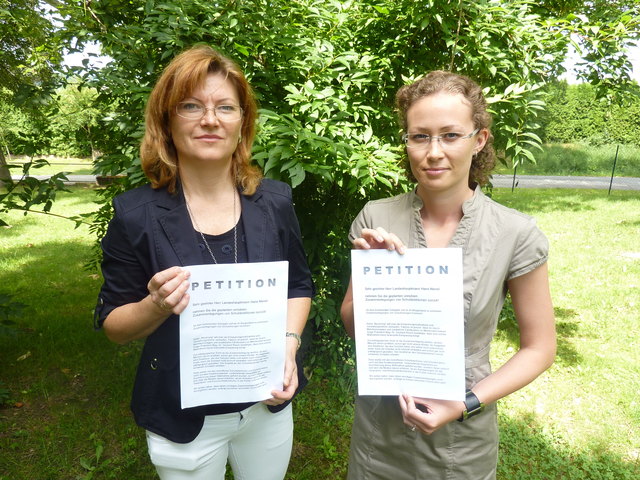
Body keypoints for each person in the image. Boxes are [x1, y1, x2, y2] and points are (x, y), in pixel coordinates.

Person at [93, 45, 314, 480]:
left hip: (266, 405)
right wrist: (154, 305)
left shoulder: (275, 202)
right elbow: (113, 326)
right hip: (182, 418)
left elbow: (298, 286)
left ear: (242, 124)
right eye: (191, 106)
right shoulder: (135, 215)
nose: (210, 120)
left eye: (225, 108)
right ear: (167, 122)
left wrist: (288, 344)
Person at [340, 70, 556, 479]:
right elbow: (352, 326)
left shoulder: (515, 233)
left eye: (450, 135)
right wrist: (375, 276)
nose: (433, 151)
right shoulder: (376, 216)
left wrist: (465, 403)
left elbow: (540, 348)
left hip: (462, 439)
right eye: (419, 136)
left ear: (479, 140)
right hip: (377, 435)